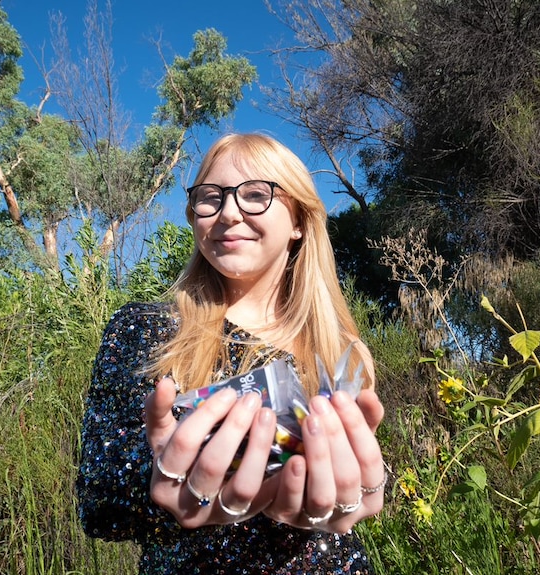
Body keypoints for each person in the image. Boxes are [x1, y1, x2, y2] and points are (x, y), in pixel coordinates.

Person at [77, 133, 388, 574]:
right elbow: (97, 502)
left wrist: (362, 494)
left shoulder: (346, 354)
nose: (228, 212)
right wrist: (158, 477)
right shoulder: (146, 329)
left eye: (256, 194)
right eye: (210, 197)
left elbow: (354, 490)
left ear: (299, 219)